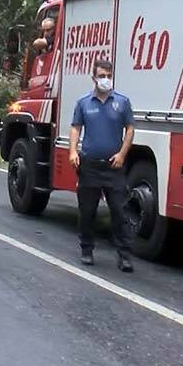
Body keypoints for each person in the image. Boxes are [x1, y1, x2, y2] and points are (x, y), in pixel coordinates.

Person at [69, 59, 135, 272]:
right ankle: (87, 249)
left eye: (108, 75)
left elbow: (130, 129)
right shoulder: (84, 103)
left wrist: (122, 154)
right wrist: (72, 151)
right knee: (87, 211)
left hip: (113, 167)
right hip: (89, 165)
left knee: (119, 211)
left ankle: (124, 255)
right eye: (101, 76)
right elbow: (76, 128)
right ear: (94, 78)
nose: (105, 79)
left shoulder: (122, 102)